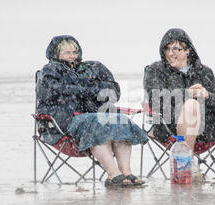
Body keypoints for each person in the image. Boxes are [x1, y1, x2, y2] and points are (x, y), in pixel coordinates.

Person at [37, 35, 148, 187]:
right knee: (97, 123)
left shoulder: (94, 67)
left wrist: (80, 90)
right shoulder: (49, 70)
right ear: (56, 54)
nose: (72, 56)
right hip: (64, 123)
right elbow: (50, 92)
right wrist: (90, 90)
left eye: (74, 52)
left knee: (118, 120)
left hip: (96, 116)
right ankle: (113, 175)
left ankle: (126, 172)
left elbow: (113, 92)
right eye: (66, 53)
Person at [143, 28, 215, 180]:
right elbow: (155, 99)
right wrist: (187, 94)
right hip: (170, 126)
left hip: (206, 129)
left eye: (176, 48)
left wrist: (207, 95)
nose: (170, 53)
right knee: (191, 105)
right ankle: (187, 163)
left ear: (188, 50)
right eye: (167, 49)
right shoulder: (156, 70)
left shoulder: (204, 72)